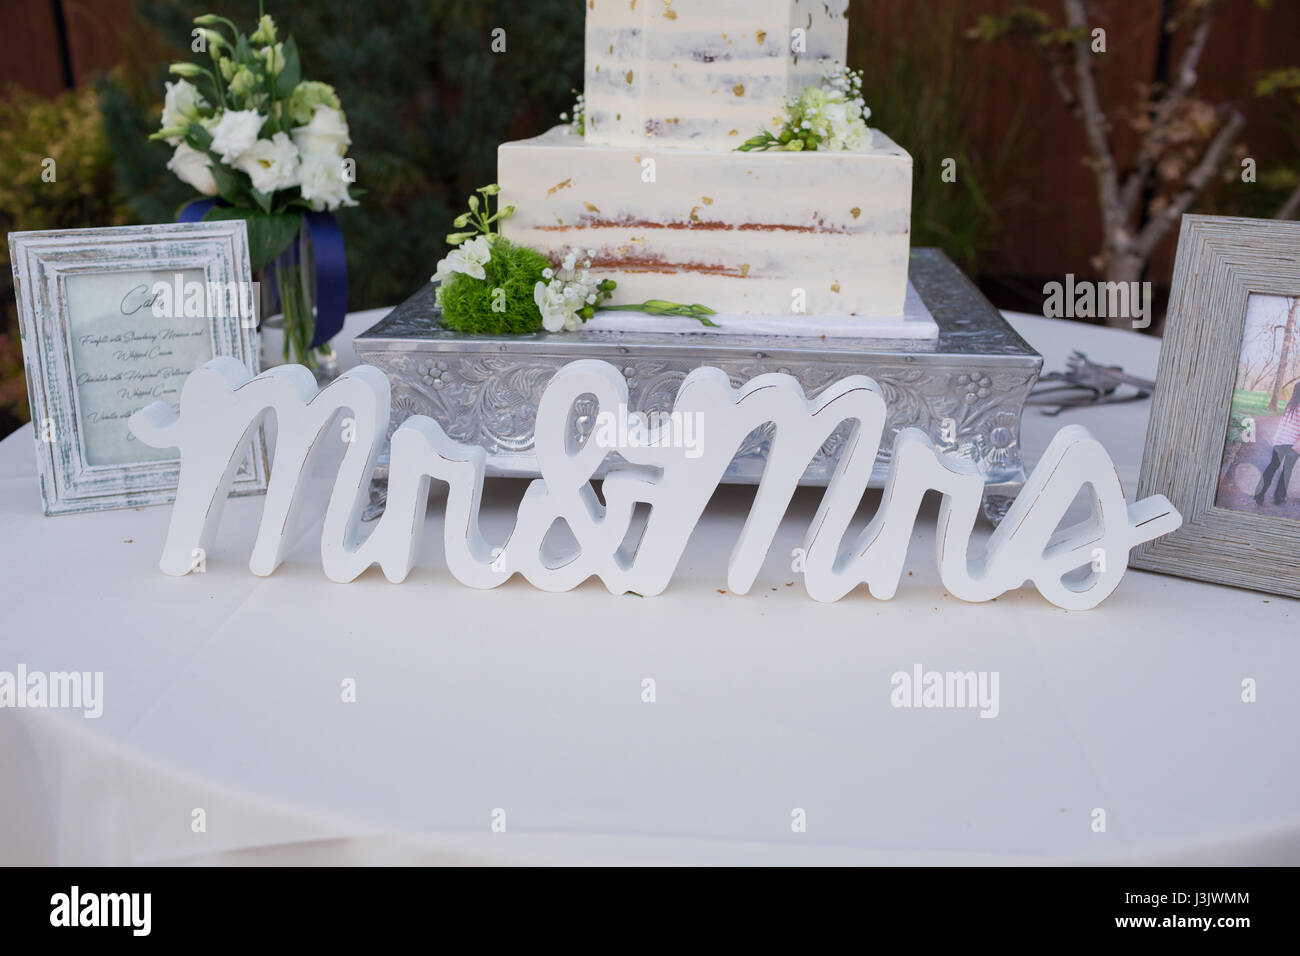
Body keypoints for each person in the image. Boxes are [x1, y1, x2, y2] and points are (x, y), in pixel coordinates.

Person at [1254, 389, 1300, 506]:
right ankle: (1279, 498)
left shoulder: (1290, 405)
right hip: (1293, 444)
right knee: (1286, 470)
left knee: (1272, 467)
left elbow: (1283, 424)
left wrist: (1276, 439)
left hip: (1280, 441)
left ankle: (1259, 494)